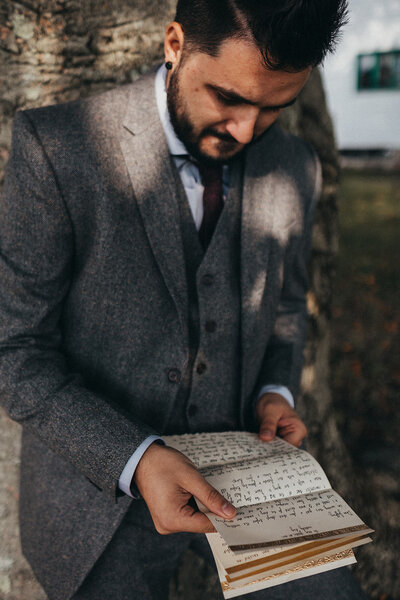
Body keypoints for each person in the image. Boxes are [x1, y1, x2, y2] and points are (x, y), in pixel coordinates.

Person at [0, 0, 367, 599]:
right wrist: (137, 458)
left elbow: (286, 308)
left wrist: (277, 391)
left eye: (275, 107)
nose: (247, 130)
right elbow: (14, 351)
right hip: (99, 494)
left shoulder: (298, 165)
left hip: (248, 472)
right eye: (228, 97)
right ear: (174, 45)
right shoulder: (56, 148)